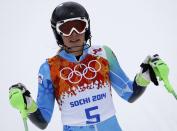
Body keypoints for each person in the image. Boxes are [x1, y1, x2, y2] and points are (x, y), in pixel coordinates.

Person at [9, 1, 166, 131]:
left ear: (87, 28)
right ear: (58, 33)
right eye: (65, 28)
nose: (74, 33)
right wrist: (27, 102)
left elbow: (129, 94)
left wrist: (145, 76)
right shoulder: (49, 68)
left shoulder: (103, 54)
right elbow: (42, 121)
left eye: (79, 25)